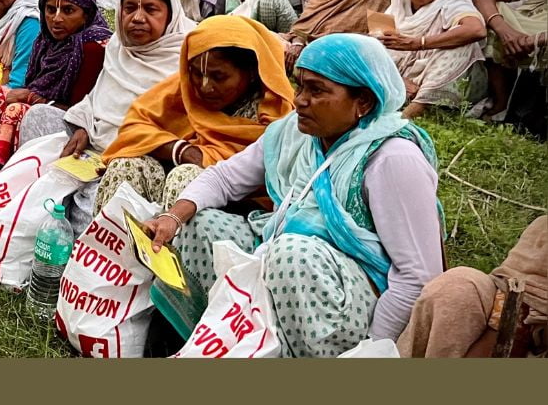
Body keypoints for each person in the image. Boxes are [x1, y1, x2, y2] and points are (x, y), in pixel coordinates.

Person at [151, 33, 444, 357]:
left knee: (291, 253)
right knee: (201, 224)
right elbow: (224, 177)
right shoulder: (295, 132)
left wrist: (372, 348)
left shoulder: (392, 158)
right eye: (300, 85)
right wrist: (173, 215)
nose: (299, 100)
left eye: (316, 90)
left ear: (364, 101)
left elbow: (418, 277)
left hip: (354, 299)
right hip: (287, 267)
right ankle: (214, 342)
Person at [18, 0, 195, 234]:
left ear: (170, 13)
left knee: (87, 219)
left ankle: (56, 211)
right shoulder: (118, 46)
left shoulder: (185, 56)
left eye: (150, 9)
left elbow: (169, 133)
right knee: (38, 117)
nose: (137, 18)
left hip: (132, 160)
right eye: (129, 8)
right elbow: (97, 96)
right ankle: (45, 203)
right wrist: (83, 126)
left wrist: (115, 151)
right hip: (91, 144)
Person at [93, 15, 294, 216]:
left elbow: (255, 177)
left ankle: (165, 245)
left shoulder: (274, 114)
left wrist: (199, 164)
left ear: (251, 73)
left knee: (188, 178)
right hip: (165, 179)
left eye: (218, 77)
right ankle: (108, 244)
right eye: (197, 73)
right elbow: (134, 128)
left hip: (231, 211)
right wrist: (182, 151)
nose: (205, 86)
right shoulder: (183, 89)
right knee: (126, 167)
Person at [0, 0, 113, 165]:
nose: (56, 18)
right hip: (53, 111)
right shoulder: (46, 41)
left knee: (21, 110)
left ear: (86, 14)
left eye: (68, 10)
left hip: (84, 131)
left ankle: (10, 166)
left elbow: (81, 110)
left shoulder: (93, 47)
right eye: (50, 9)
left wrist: (31, 98)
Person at [398, 215, 546, 358]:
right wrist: (504, 316)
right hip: (504, 310)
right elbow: (510, 283)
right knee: (458, 286)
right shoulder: (542, 228)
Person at [380, 0, 487, 119]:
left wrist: (418, 43)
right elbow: (374, 48)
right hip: (407, 78)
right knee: (372, 49)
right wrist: (399, 80)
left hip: (451, 76)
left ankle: (414, 110)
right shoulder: (397, 4)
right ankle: (399, 94)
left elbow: (476, 29)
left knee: (462, 44)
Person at [472, 0, 547, 120]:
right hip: (529, 27)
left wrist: (536, 40)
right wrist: (505, 32)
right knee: (485, 16)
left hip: (539, 35)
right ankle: (501, 102)